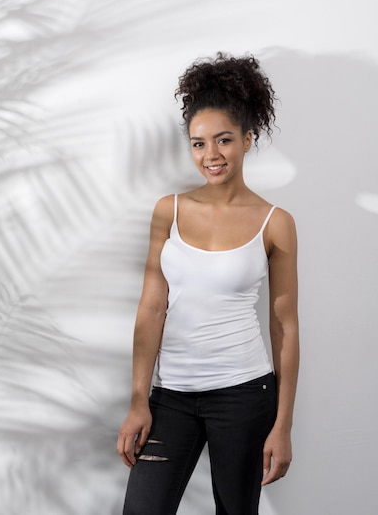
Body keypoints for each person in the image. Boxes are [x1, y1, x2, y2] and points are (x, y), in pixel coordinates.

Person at [117, 52, 299, 515]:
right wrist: (140, 401)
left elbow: (285, 327)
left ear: (248, 139)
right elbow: (151, 308)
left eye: (223, 140)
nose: (211, 155)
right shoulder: (168, 211)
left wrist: (283, 424)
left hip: (244, 395)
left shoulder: (275, 223)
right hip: (172, 397)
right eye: (198, 144)